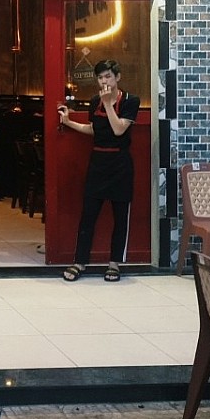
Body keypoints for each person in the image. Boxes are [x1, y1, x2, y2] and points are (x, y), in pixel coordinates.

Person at [57, 59, 140, 282]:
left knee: (120, 216)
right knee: (88, 215)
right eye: (101, 77)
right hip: (98, 162)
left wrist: (109, 104)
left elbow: (119, 129)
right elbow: (94, 129)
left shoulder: (131, 100)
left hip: (120, 163)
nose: (104, 81)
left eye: (108, 77)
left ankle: (114, 263)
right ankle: (79, 261)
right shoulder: (95, 101)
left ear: (117, 77)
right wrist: (69, 122)